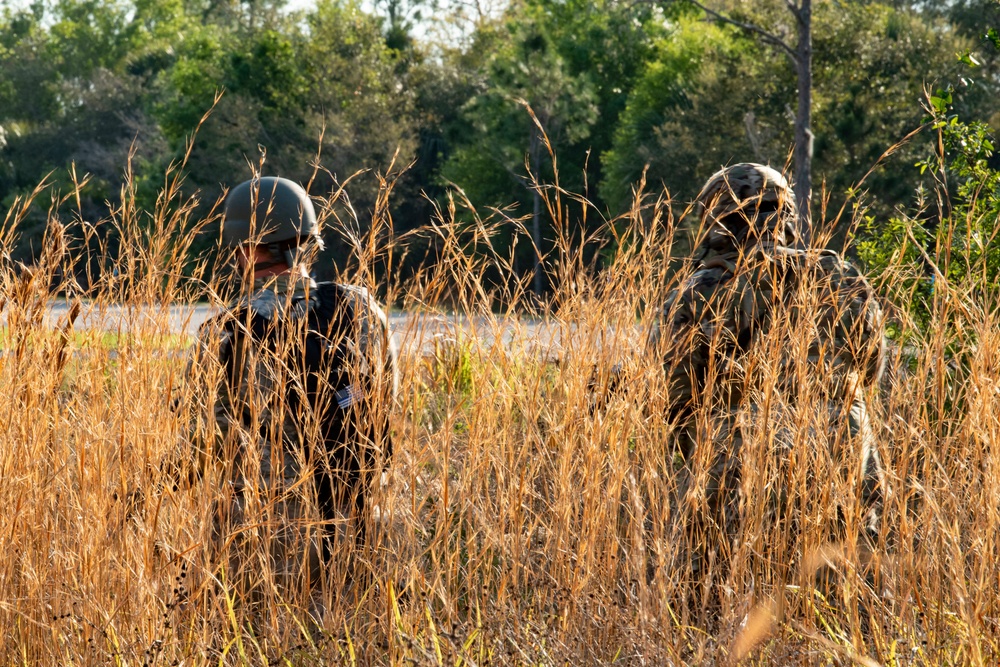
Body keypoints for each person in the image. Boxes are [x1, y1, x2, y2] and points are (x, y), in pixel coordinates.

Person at [646, 163, 886, 615]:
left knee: (705, 604)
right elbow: (872, 369)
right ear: (787, 216)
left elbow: (672, 399)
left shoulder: (699, 291)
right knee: (850, 604)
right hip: (843, 457)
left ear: (715, 219)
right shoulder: (840, 274)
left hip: (737, 470)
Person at [185, 176, 398, 608]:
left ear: (244, 248)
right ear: (307, 241)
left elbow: (199, 446)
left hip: (266, 538)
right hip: (362, 521)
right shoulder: (361, 309)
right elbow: (384, 402)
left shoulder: (226, 329)